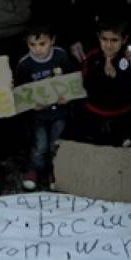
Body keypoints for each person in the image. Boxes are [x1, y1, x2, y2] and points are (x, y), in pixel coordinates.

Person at [13, 23, 79, 191]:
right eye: (32, 45)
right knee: (40, 145)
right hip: (39, 116)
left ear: (52, 40)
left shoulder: (61, 56)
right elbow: (20, 91)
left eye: (42, 44)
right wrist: (30, 104)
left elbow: (72, 80)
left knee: (56, 144)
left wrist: (68, 97)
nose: (37, 49)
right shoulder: (24, 64)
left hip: (60, 111)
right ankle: (34, 169)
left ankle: (55, 171)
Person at [75, 19, 131, 146]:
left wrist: (116, 77)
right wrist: (102, 75)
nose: (108, 45)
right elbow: (86, 85)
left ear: (124, 40)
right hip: (95, 112)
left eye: (114, 40)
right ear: (98, 38)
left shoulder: (130, 58)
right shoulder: (92, 57)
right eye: (104, 39)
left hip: (122, 112)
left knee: (123, 146)